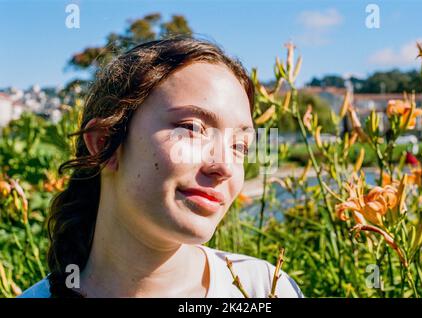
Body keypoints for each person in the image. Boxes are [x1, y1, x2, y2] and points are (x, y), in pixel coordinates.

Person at [19, 36, 303, 298]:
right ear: (105, 143)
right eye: (192, 128)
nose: (224, 166)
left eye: (239, 146)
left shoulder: (265, 288)